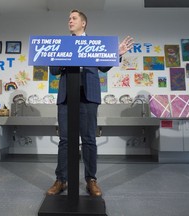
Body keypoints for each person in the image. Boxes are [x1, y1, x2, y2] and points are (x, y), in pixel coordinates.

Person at [47, 9, 134, 196]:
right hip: (66, 97)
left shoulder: (96, 45)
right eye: (68, 18)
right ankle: (61, 180)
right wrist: (66, 57)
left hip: (88, 95)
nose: (69, 21)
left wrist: (117, 53)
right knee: (64, 140)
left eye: (73, 18)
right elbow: (54, 69)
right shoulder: (62, 45)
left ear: (83, 23)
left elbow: (103, 66)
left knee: (89, 139)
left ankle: (91, 180)